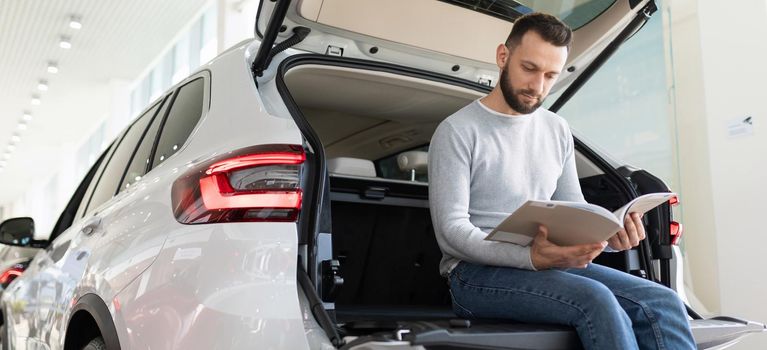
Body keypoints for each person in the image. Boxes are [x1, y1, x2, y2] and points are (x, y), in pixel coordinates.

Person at [427, 12, 696, 350]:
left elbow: (574, 210)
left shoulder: (556, 129)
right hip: (475, 276)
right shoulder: (457, 131)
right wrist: (530, 259)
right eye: (529, 69)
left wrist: (610, 237)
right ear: (503, 56)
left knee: (662, 301)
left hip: (547, 267)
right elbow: (452, 233)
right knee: (595, 299)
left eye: (550, 75)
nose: (537, 86)